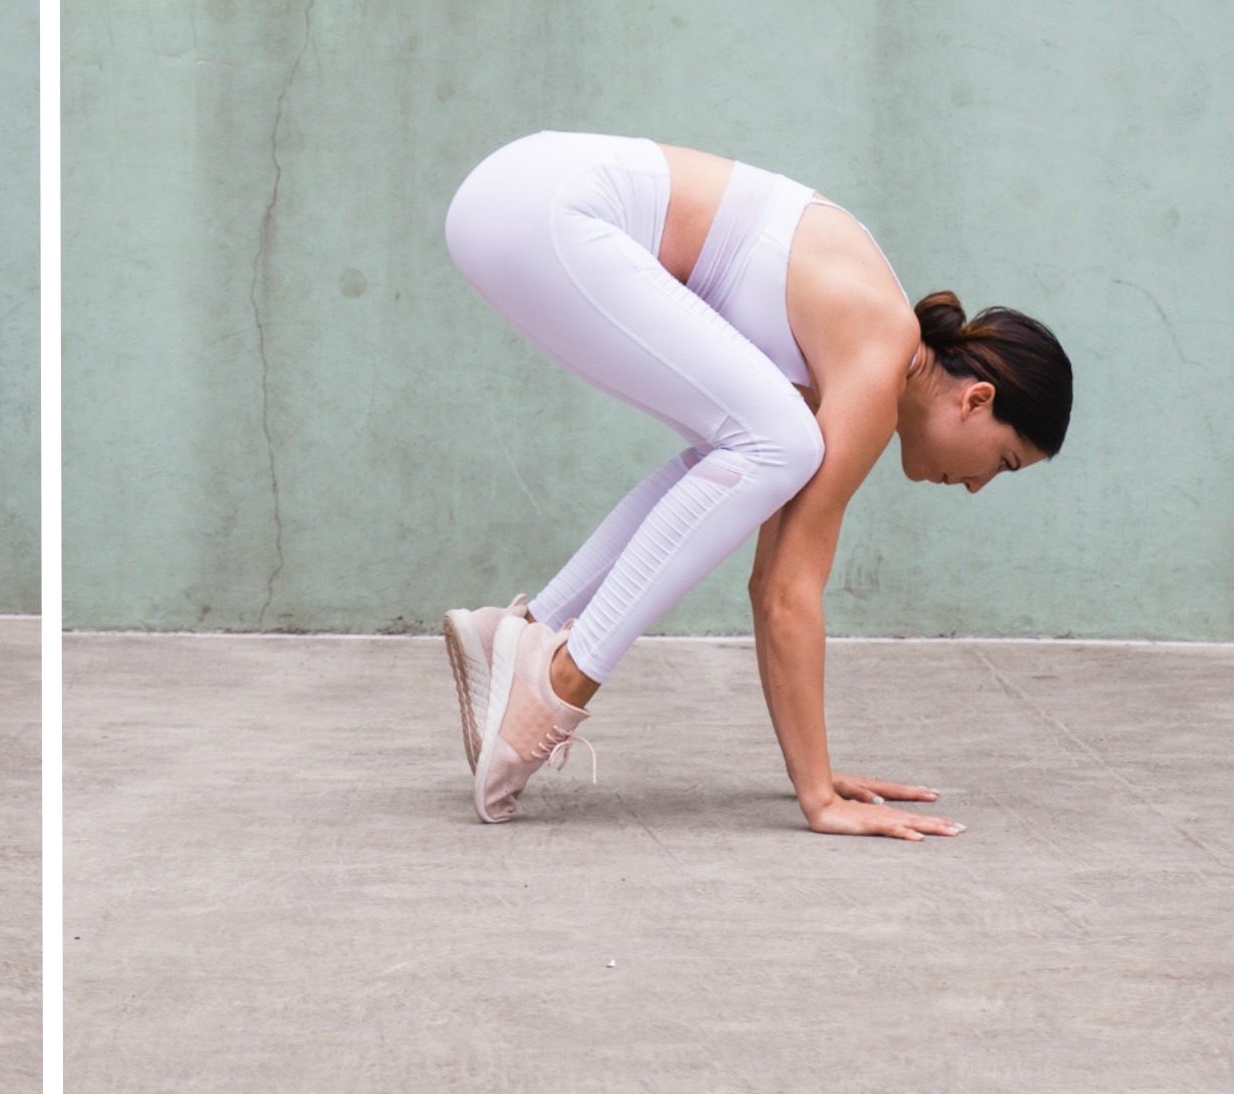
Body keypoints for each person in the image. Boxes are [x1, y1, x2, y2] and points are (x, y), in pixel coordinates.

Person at [439, 131, 1070, 838]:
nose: (980, 486)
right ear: (976, 400)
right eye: (1004, 462)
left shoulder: (850, 351)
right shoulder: (878, 347)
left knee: (755, 445)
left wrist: (814, 772)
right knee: (777, 443)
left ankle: (520, 632)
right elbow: (786, 597)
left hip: (513, 202)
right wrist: (817, 802)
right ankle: (556, 684)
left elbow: (772, 579)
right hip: (543, 211)